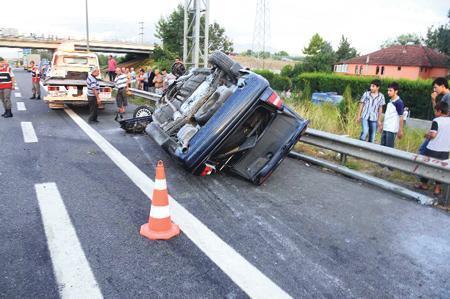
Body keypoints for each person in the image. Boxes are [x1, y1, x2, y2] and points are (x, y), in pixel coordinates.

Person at [414, 102, 450, 196]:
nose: (435, 112)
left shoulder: (436, 121)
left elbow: (433, 135)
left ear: (440, 111)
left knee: (427, 167)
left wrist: (426, 135)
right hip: (445, 150)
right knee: (440, 169)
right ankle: (437, 189)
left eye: (436, 110)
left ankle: (424, 184)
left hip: (433, 148)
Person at [418, 78, 450, 155]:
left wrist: (433, 100)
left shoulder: (448, 97)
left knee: (423, 149)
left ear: (442, 86)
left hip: (441, 129)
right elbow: (437, 111)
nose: (434, 90)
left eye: (435, 87)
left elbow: (438, 114)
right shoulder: (445, 97)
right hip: (443, 130)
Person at [378, 82, 404, 148]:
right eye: (388, 90)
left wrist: (400, 130)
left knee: (389, 149)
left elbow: (401, 117)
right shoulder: (390, 101)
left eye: (390, 90)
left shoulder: (399, 102)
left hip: (392, 130)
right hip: (385, 128)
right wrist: (382, 125)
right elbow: (388, 116)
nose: (388, 92)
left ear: (396, 91)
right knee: (382, 148)